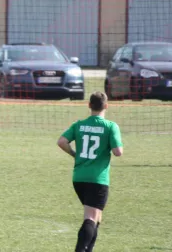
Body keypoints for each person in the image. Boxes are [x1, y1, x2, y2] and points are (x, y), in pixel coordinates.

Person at [57, 91, 123, 252]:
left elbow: (62, 141)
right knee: (91, 218)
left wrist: (74, 154)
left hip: (79, 177)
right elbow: (118, 152)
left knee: (96, 217)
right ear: (106, 106)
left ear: (89, 105)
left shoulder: (79, 124)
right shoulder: (110, 126)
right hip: (97, 179)